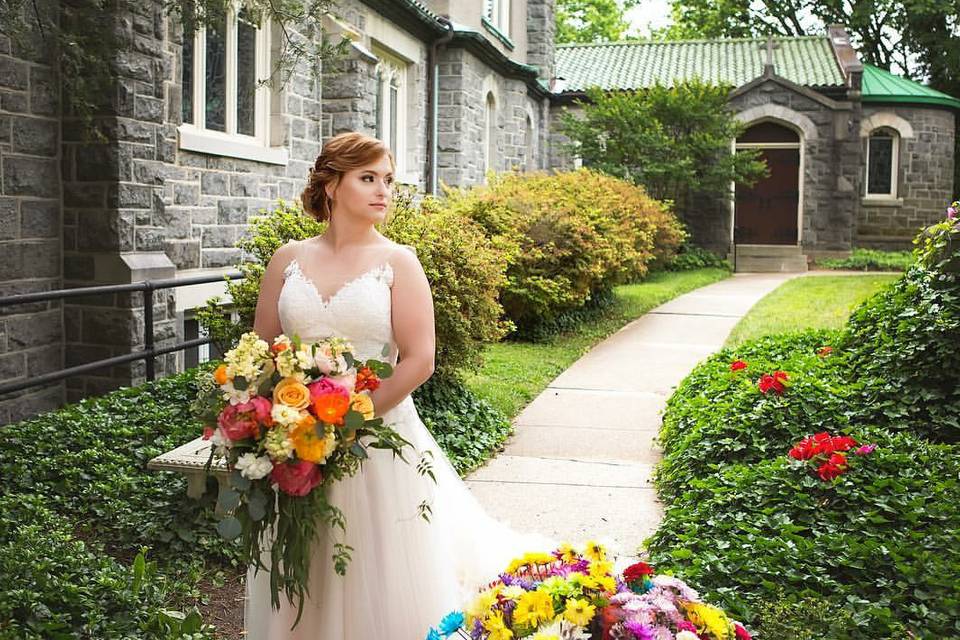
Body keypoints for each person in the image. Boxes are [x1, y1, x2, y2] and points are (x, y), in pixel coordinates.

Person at [245, 132, 550, 639]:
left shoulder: (398, 262)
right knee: (305, 551)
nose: (383, 190)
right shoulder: (287, 259)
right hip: (293, 439)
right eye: (368, 178)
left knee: (375, 559)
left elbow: (419, 360)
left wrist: (345, 422)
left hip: (375, 437)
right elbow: (263, 351)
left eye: (388, 179)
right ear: (331, 185)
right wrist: (274, 421)